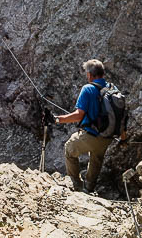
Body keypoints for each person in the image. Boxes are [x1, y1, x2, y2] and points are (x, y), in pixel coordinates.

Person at [55, 59, 113, 193]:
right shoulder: (112, 88)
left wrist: (58, 120)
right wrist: (123, 137)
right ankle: (89, 187)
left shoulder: (88, 88)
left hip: (92, 135)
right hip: (108, 136)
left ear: (89, 75)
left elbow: (78, 115)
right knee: (96, 158)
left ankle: (76, 185)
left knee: (69, 149)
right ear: (103, 73)